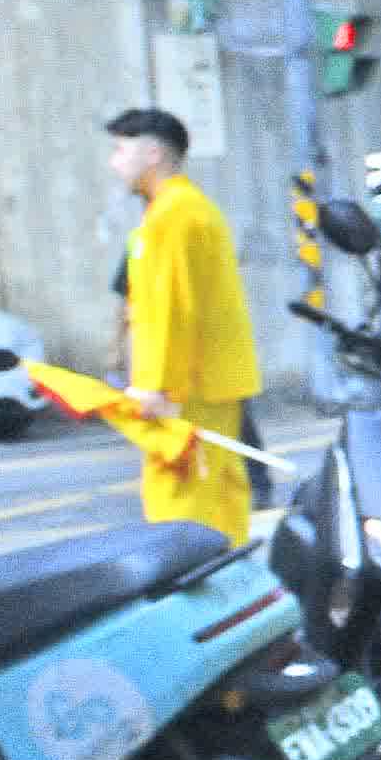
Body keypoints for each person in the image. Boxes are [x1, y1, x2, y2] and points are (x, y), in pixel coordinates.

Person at [99, 106, 257, 539]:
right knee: (218, 492)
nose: (114, 163)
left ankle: (200, 593)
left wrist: (157, 387)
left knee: (180, 499)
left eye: (120, 150)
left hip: (186, 388)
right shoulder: (188, 209)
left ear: (152, 154)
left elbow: (170, 309)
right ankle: (231, 576)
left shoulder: (172, 217)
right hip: (208, 382)